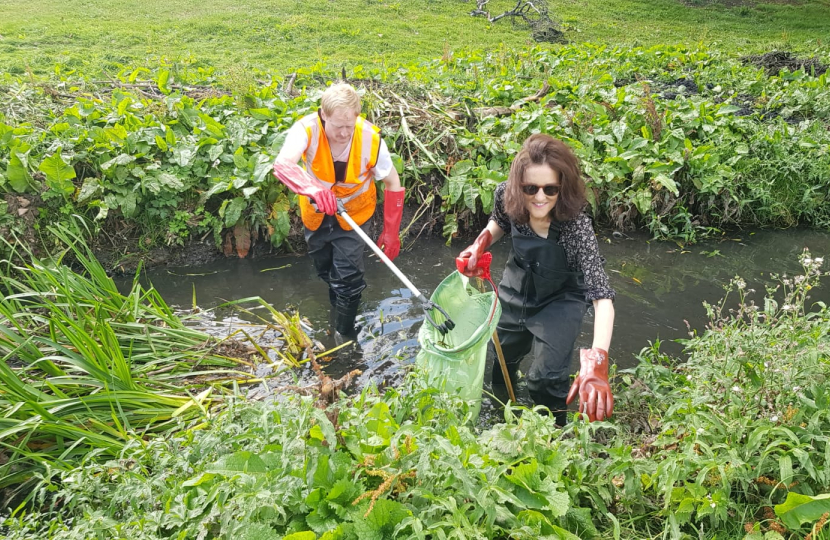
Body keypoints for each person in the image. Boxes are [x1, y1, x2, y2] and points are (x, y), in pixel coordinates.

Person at [456, 133, 615, 425]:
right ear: (518, 186)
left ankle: (554, 432)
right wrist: (480, 243)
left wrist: (598, 361)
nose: (540, 198)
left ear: (562, 188)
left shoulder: (576, 227)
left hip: (561, 298)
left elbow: (602, 295)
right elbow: (499, 222)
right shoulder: (506, 194)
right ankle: (504, 419)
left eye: (550, 189)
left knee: (544, 378)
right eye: (530, 188)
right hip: (517, 285)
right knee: (501, 358)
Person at [272, 83, 404, 341]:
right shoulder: (306, 129)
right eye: (337, 126)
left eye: (349, 126)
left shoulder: (370, 139)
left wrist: (391, 233)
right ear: (324, 115)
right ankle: (338, 308)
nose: (344, 134)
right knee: (325, 270)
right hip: (317, 214)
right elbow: (283, 164)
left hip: (355, 216)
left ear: (356, 117)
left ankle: (344, 337)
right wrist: (313, 189)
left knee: (348, 278)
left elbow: (393, 182)